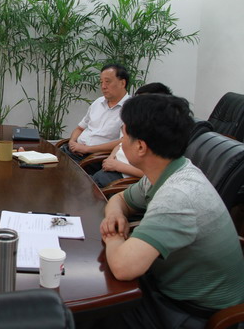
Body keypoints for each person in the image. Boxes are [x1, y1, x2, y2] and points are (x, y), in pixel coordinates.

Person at [99, 94, 244, 328]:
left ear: (140, 146)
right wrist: (116, 215)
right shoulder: (170, 169)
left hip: (193, 313)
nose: (121, 140)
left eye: (123, 134)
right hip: (166, 287)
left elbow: (123, 268)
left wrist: (113, 235)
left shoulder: (177, 197)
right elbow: (119, 199)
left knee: (97, 312)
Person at [92, 82, 173, 188]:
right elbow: (120, 144)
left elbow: (153, 174)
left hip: (122, 180)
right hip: (109, 169)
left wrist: (117, 166)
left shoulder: (161, 135)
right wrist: (111, 159)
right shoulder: (139, 124)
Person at [61, 64, 130, 165]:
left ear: (122, 83)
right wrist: (72, 142)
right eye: (101, 82)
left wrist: (87, 149)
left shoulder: (131, 108)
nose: (103, 86)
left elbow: (124, 142)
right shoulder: (98, 102)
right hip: (73, 150)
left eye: (107, 82)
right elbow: (80, 128)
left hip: (94, 158)